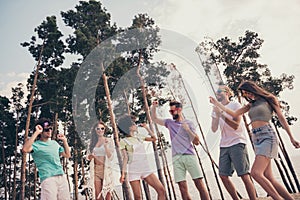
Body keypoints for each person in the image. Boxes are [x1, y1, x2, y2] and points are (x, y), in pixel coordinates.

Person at [209, 81, 300, 200]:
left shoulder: (269, 99)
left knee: (255, 173)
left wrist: (291, 137)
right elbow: (235, 113)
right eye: (244, 94)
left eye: (247, 92)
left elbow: (281, 118)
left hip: (268, 136)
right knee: (269, 176)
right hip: (256, 138)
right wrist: (218, 106)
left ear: (252, 89)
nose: (247, 95)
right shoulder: (250, 105)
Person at [151, 100, 210, 200]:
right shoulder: (169, 123)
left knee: (199, 184)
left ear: (179, 110)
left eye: (172, 111)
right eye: (170, 111)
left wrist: (187, 130)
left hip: (189, 156)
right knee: (182, 188)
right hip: (176, 158)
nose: (171, 113)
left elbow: (196, 142)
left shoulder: (189, 123)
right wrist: (154, 107)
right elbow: (154, 118)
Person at [210, 85, 256, 200]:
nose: (218, 94)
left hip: (237, 142)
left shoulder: (235, 105)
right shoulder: (215, 109)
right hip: (224, 145)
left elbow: (236, 126)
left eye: (220, 91)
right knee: (223, 176)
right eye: (217, 92)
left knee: (244, 175)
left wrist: (221, 114)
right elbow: (214, 129)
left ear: (227, 93)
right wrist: (215, 115)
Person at [118, 115, 166, 200]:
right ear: (129, 127)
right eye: (133, 124)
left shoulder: (139, 136)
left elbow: (154, 138)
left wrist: (147, 128)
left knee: (161, 190)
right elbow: (125, 158)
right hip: (133, 170)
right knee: (138, 197)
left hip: (145, 168)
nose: (135, 125)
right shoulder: (123, 141)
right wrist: (123, 174)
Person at [22, 118, 71, 200]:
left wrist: (64, 141)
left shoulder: (54, 143)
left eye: (50, 128)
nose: (49, 131)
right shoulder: (36, 145)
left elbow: (67, 155)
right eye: (46, 129)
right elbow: (25, 149)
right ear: (41, 131)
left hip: (61, 176)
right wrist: (36, 132)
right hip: (48, 178)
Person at [87, 121, 114, 200]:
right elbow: (88, 157)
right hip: (95, 170)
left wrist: (105, 147)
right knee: (98, 196)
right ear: (95, 130)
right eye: (98, 128)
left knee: (107, 195)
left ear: (104, 129)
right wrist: (91, 156)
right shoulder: (92, 143)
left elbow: (111, 157)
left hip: (106, 170)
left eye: (102, 128)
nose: (100, 130)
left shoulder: (108, 140)